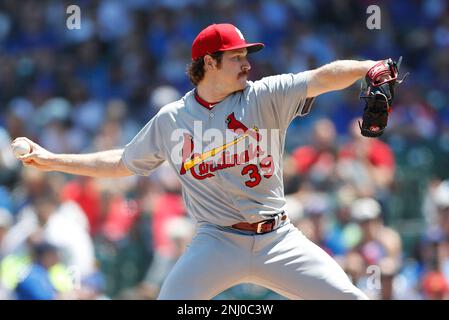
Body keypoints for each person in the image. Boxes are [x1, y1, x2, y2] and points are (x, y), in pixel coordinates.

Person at [12, 23, 397, 300]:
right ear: (209, 63)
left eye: (246, 56)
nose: (247, 64)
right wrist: (53, 159)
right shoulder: (173, 119)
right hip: (216, 240)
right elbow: (122, 162)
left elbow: (322, 77)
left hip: (278, 238)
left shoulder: (264, 95)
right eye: (237, 57)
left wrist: (367, 69)